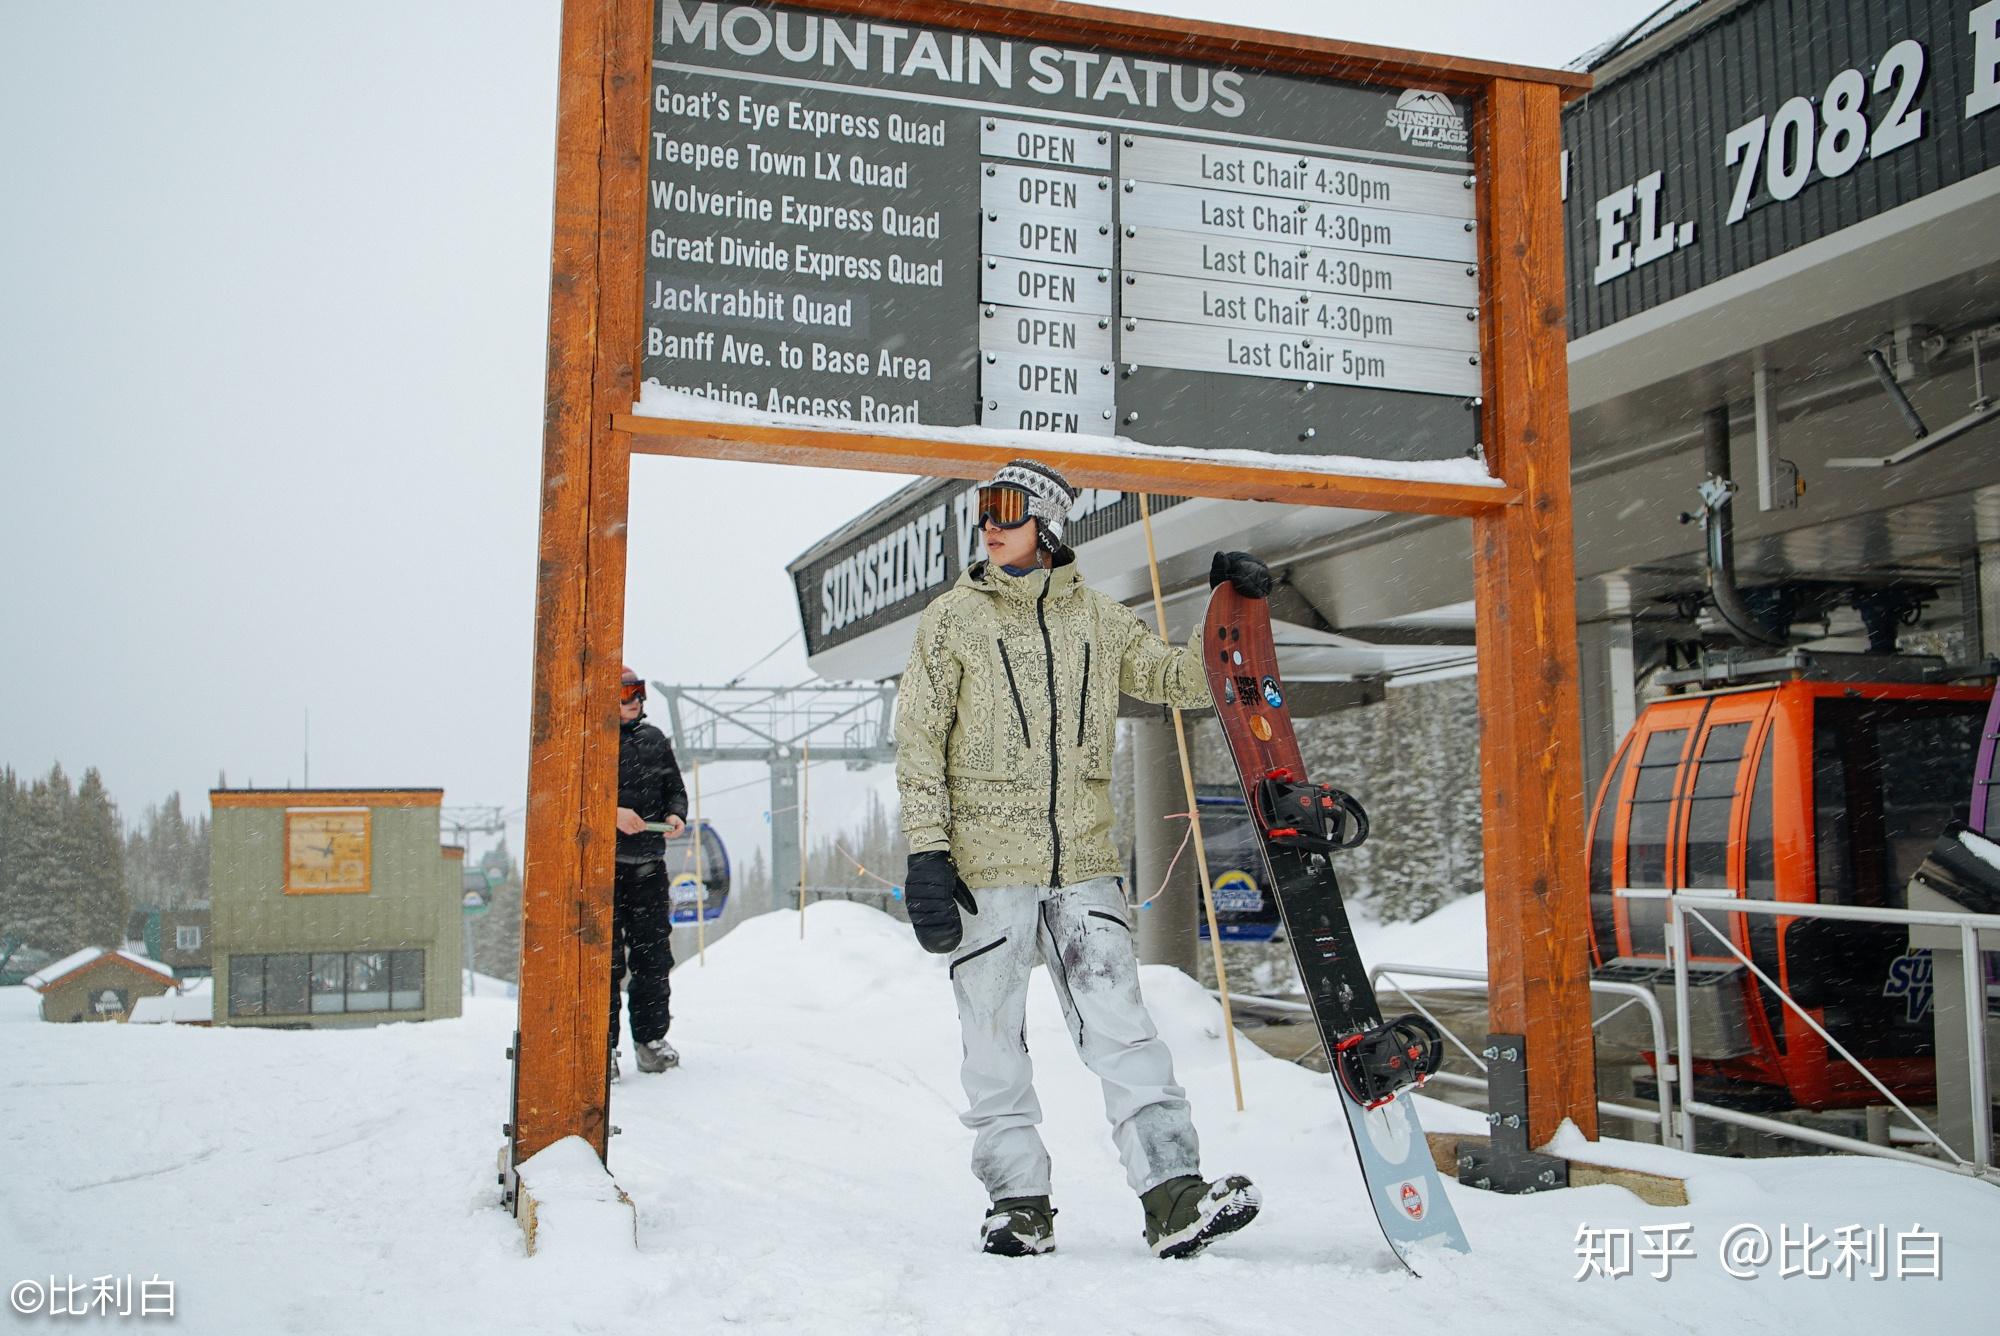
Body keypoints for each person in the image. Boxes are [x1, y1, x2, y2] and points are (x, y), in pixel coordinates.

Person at [893, 458, 1275, 1259]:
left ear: (1050, 524)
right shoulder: (952, 620)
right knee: (993, 1039)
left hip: (1084, 865)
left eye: (1010, 510)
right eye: (984, 511)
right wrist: (928, 853)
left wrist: (1230, 613)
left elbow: (1178, 678)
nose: (992, 525)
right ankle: (1018, 1204)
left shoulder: (1096, 620)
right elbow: (919, 743)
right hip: (984, 872)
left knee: (1124, 1030)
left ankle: (1172, 1196)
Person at [610, 664, 689, 1080]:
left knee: (653, 958)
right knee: (603, 962)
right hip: (603, 870)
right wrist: (613, 813)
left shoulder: (655, 740)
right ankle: (600, 1047)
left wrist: (676, 814)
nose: (635, 700)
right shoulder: (594, 741)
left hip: (648, 867)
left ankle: (651, 1039)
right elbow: (579, 798)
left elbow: (675, 788)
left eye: (638, 692)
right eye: (626, 694)